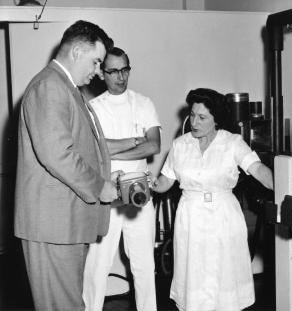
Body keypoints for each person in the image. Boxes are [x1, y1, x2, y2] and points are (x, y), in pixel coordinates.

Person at [14, 20, 118, 311]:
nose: (98, 71)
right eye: (96, 61)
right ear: (76, 52)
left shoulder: (65, 88)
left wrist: (106, 175)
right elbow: (57, 153)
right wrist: (98, 185)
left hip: (64, 224)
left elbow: (78, 149)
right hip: (53, 226)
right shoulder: (50, 86)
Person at [152, 88, 274, 311]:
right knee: (195, 278)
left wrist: (284, 185)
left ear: (216, 119)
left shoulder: (233, 142)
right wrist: (145, 183)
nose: (194, 122)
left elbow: (257, 169)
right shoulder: (180, 146)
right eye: (192, 115)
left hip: (223, 216)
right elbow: (164, 182)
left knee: (224, 277)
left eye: (202, 117)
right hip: (191, 217)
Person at [83, 47, 161, 311]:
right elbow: (92, 149)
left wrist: (109, 147)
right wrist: (134, 140)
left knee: (144, 265)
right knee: (97, 266)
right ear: (102, 74)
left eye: (125, 69)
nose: (120, 76)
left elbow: (154, 146)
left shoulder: (144, 103)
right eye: (113, 71)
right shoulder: (93, 108)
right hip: (107, 195)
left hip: (139, 195)